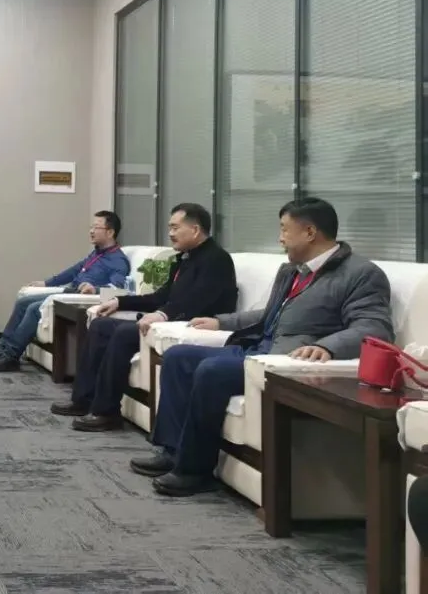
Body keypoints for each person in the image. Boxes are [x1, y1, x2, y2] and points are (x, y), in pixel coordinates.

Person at [130, 197, 393, 497]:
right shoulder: (293, 270)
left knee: (211, 370)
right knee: (178, 357)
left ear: (310, 232)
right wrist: (221, 321)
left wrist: (328, 346)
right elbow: (269, 314)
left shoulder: (360, 274)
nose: (280, 238)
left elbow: (375, 327)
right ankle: (172, 450)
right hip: (256, 347)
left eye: (284, 229)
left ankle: (194, 470)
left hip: (283, 359)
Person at [51, 203, 238, 431]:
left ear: (195, 230)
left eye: (175, 227)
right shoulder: (184, 259)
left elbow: (198, 301)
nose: (170, 233)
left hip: (195, 325)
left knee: (123, 333)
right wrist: (120, 301)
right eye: (169, 227)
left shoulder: (216, 259)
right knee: (101, 325)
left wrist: (162, 314)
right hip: (171, 320)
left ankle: (106, 412)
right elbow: (161, 296)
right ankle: (83, 400)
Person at [0, 211, 131, 372]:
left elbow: (117, 288)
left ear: (110, 232)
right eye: (91, 227)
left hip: (78, 298)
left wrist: (95, 289)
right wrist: (46, 283)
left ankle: (10, 357)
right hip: (69, 291)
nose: (91, 231)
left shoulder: (118, 260)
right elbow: (73, 271)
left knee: (34, 308)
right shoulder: (97, 253)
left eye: (96, 227)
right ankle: (1, 350)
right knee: (23, 302)